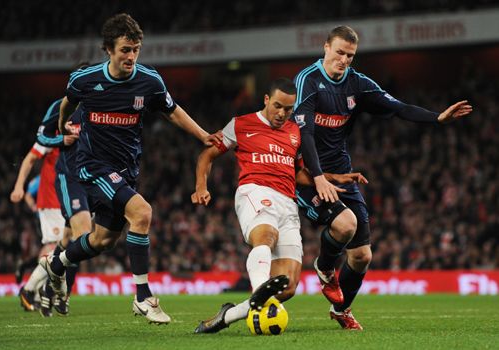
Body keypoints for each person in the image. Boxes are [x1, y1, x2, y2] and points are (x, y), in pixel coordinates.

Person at [40, 13, 220, 325]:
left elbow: (172, 111)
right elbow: (67, 103)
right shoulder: (85, 80)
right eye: (125, 49)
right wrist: (62, 125)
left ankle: (57, 264)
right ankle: (143, 297)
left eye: (135, 49)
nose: (131, 56)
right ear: (108, 49)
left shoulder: (149, 81)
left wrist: (202, 134)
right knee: (142, 212)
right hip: (93, 166)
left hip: (126, 169)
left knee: (101, 241)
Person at [292, 25, 472, 330]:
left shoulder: (357, 84)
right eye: (339, 52)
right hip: (308, 175)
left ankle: (341, 310)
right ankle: (324, 265)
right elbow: (305, 132)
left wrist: (436, 117)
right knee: (345, 224)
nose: (344, 60)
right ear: (326, 48)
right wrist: (319, 176)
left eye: (350, 55)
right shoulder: (307, 80)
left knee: (362, 255)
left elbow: (397, 107)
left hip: (342, 174)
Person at [191, 78, 366, 333]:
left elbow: (297, 174)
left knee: (288, 287)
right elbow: (207, 154)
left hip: (288, 202)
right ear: (265, 100)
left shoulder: (295, 132)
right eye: (277, 106)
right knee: (266, 236)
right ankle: (259, 289)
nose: (282, 114)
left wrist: (331, 177)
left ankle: (228, 315)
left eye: (288, 109)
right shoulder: (241, 124)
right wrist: (201, 186)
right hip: (256, 191)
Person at [10, 98, 78, 315]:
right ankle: (31, 290)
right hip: (51, 201)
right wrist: (19, 186)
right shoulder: (54, 136)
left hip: (69, 200)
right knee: (54, 248)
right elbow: (30, 158)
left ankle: (38, 290)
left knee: (65, 249)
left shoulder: (84, 133)